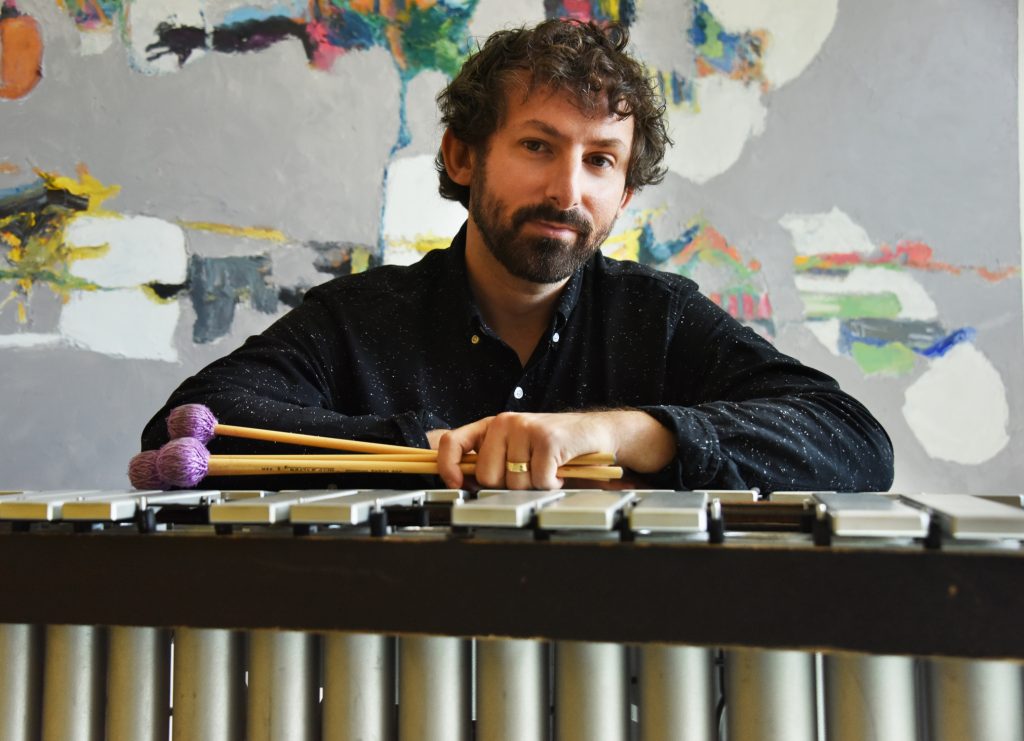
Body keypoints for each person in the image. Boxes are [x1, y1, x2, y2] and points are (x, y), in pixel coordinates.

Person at [141, 19, 894, 494]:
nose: (568, 189)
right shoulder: (359, 318)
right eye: (538, 146)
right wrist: (436, 447)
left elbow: (854, 440)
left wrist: (619, 433)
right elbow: (189, 429)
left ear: (625, 194)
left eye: (600, 161)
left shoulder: (660, 318)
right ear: (462, 156)